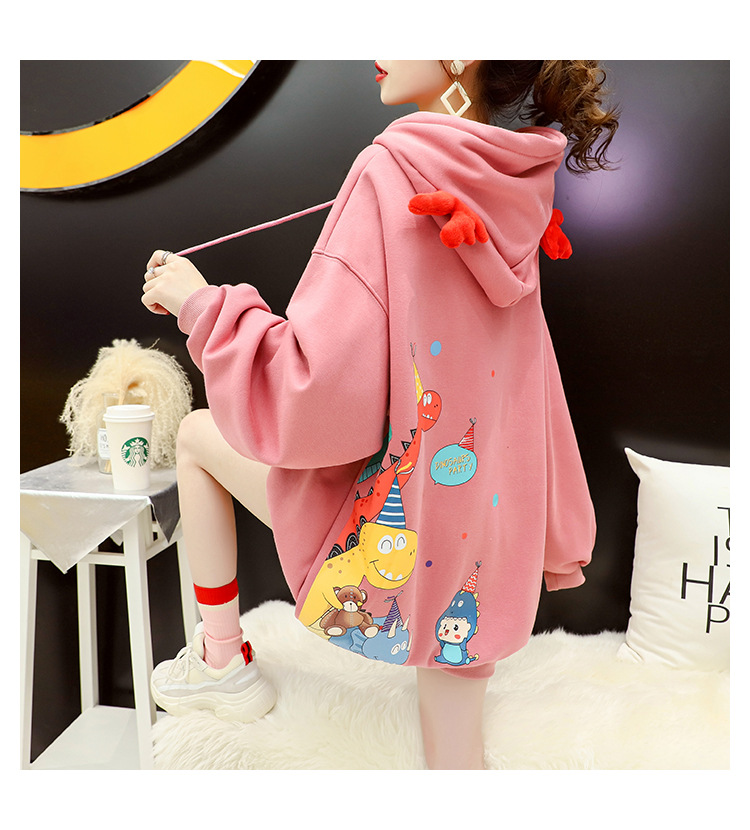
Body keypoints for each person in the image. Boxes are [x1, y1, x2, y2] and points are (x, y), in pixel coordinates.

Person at [142, 60, 619, 770]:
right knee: (456, 763)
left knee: (192, 435)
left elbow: (313, 386)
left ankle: (221, 663)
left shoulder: (389, 167)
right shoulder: (517, 186)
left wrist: (202, 306)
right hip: (482, 530)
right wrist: (556, 515)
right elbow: (529, 372)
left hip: (383, 526)